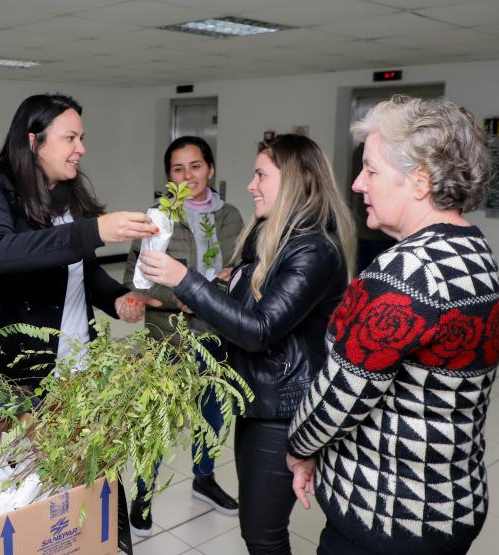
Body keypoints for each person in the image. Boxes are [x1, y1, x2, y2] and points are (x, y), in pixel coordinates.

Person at [286, 96, 499, 555]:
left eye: (371, 170)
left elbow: (339, 397)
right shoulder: (474, 251)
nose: (357, 183)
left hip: (389, 518)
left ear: (419, 181)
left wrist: (299, 449)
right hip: (450, 503)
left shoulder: (405, 274)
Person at [138, 134, 356, 554]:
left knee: (262, 533)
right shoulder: (270, 237)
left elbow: (257, 330)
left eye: (261, 175)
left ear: (299, 180)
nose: (251, 185)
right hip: (260, 400)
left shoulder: (312, 250)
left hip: (285, 412)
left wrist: (185, 279)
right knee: (256, 529)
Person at [0, 92, 159, 387]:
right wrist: (94, 231)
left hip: (76, 359)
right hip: (16, 364)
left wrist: (118, 298)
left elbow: (81, 269)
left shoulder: (68, 193)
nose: (81, 149)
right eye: (70, 138)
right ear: (33, 141)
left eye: (82, 138)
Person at [122, 135, 244, 536]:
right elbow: (135, 281)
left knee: (212, 413)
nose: (188, 175)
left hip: (218, 336)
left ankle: (205, 478)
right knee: (157, 420)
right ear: (168, 176)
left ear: (210, 168)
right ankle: (141, 494)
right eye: (178, 168)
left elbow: (242, 276)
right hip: (168, 338)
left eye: (195, 166)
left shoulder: (231, 218)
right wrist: (183, 298)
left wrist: (216, 290)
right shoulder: (155, 218)